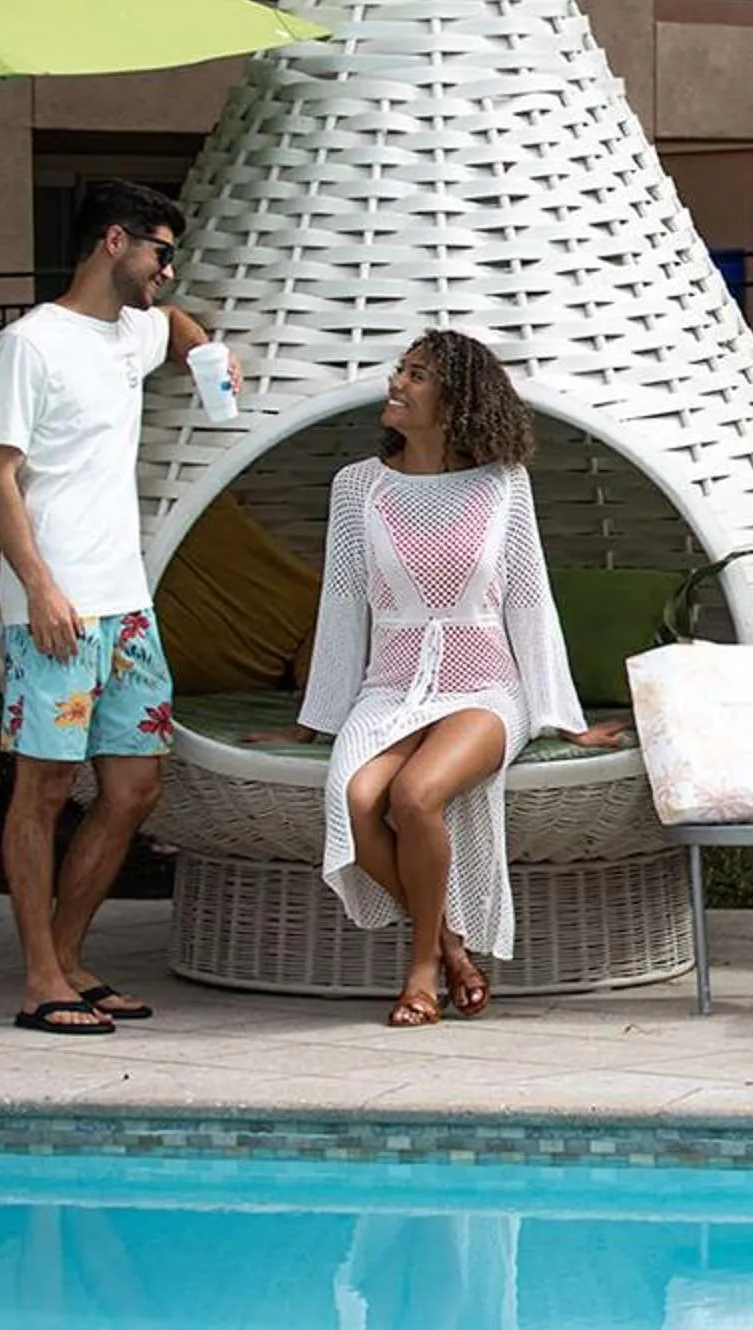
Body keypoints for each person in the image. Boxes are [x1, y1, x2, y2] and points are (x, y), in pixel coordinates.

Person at [269, 330, 627, 1027]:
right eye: (399, 371)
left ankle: (421, 970)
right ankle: (457, 949)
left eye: (418, 375)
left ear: (457, 398)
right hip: (389, 688)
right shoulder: (358, 488)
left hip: (484, 686)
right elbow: (341, 603)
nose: (397, 384)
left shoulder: (502, 484)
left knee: (413, 796)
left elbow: (529, 598)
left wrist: (563, 718)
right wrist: (318, 717)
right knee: (354, 796)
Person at [0, 179, 232, 1035]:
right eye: (161, 252)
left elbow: (178, 322)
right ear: (113, 242)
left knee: (132, 788)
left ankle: (69, 954)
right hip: (52, 605)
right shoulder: (29, 345)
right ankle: (39, 978)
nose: (169, 270)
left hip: (127, 605)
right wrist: (42, 587)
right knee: (44, 788)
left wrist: (204, 351)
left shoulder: (134, 332)